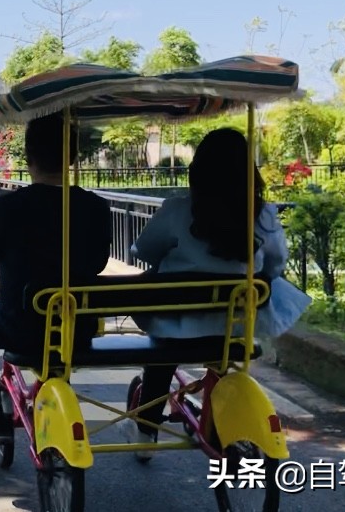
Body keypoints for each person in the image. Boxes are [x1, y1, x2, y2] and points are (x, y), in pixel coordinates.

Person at [121, 127, 312, 459]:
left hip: (176, 325)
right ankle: (221, 413)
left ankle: (146, 429)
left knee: (161, 357)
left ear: (199, 170)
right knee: (223, 351)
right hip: (233, 326)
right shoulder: (262, 214)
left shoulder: (179, 210)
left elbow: (145, 251)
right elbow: (276, 264)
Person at [0, 112, 112, 443]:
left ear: (28, 157)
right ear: (72, 157)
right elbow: (98, 263)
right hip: (78, 329)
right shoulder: (96, 207)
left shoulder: (5, 207)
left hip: (22, 330)